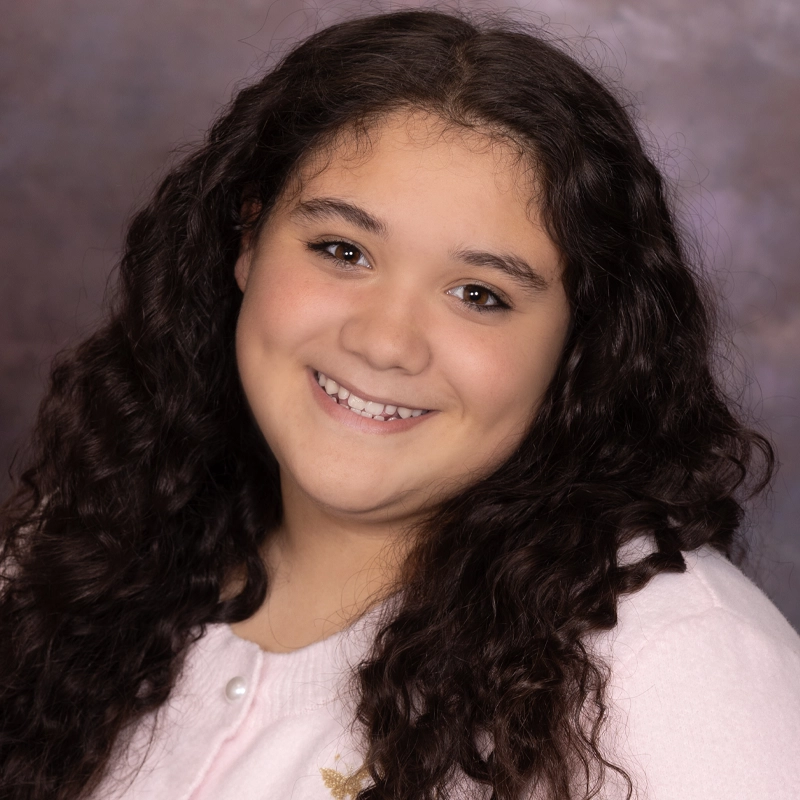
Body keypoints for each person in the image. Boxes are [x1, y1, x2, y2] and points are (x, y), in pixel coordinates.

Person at [1, 8, 799, 800]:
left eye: (478, 294)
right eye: (343, 251)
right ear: (246, 239)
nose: (386, 343)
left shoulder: (677, 666)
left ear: (579, 343)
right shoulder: (73, 556)